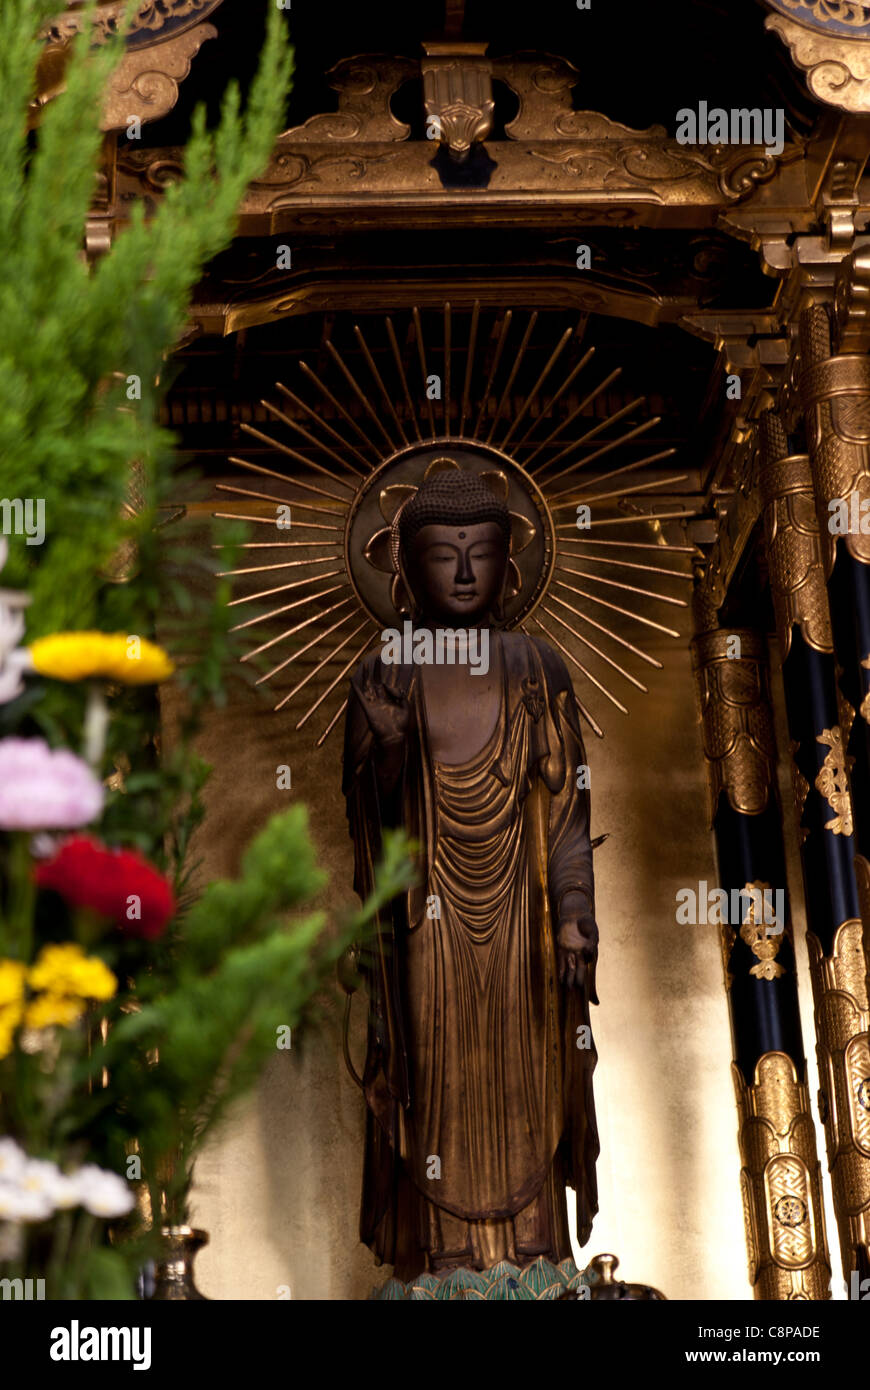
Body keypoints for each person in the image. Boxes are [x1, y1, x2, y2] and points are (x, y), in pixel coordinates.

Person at [342, 469, 599, 1280]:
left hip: (521, 915)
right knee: (435, 1081)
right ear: (406, 571)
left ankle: (533, 1250)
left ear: (507, 564)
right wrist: (385, 753)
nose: (461, 574)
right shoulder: (391, 666)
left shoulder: (537, 664)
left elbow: (565, 813)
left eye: (480, 554)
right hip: (429, 918)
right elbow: (370, 831)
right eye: (443, 557)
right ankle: (446, 1259)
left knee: (530, 1079)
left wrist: (572, 913)